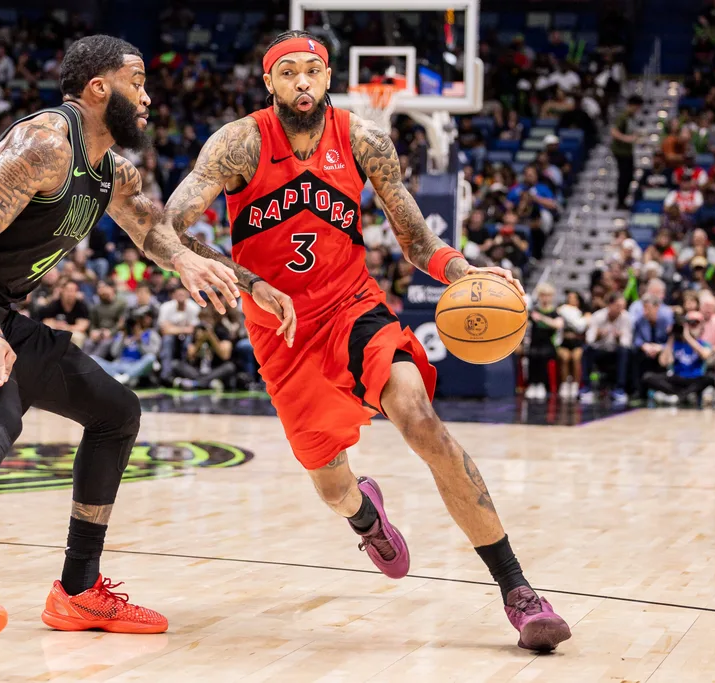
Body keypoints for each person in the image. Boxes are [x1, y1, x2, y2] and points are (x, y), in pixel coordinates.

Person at [148, 30, 571, 651]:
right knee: (332, 486)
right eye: (287, 72)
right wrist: (248, 282)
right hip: (281, 332)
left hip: (354, 309)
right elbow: (165, 229)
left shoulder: (364, 139)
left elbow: (417, 242)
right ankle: (366, 516)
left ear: (327, 77)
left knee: (422, 421)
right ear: (269, 83)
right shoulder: (240, 143)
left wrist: (463, 271)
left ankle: (518, 590)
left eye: (311, 70)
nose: (301, 82)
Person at [0, 35, 294, 645]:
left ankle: (78, 591)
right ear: (99, 89)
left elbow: (158, 234)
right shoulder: (45, 144)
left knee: (116, 412)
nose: (147, 98)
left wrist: (239, 278)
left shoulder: (113, 172)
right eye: (137, 83)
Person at [642, 312, 715, 405]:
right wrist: (671, 336)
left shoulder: (703, 344)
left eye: (694, 324)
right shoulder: (675, 343)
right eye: (689, 324)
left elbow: (705, 355)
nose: (691, 327)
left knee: (710, 378)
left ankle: (678, 396)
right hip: (677, 378)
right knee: (648, 377)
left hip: (694, 378)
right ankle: (683, 395)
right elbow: (663, 362)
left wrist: (687, 336)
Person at [579, 292, 632, 405]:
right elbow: (589, 339)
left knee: (625, 352)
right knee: (587, 350)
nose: (620, 309)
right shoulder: (598, 316)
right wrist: (598, 335)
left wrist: (618, 338)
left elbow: (626, 343)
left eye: (622, 307)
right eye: (618, 306)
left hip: (615, 352)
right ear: (610, 305)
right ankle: (586, 387)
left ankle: (620, 389)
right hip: (600, 350)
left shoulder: (626, 318)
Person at [524, 283, 562, 400]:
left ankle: (541, 384)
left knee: (543, 356)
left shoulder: (554, 311)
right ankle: (532, 383)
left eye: (548, 295)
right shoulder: (534, 310)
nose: (545, 298)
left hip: (548, 344)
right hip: (535, 343)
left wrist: (541, 318)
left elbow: (558, 324)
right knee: (532, 355)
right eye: (543, 295)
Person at [632, 294, 671, 396]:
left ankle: (664, 390)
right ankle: (639, 391)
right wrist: (644, 345)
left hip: (662, 351)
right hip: (647, 351)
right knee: (635, 353)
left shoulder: (666, 320)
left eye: (648, 308)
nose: (645, 312)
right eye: (644, 308)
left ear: (657, 307)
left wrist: (660, 347)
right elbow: (637, 339)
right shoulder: (640, 320)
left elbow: (672, 341)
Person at [38, 277, 90, 348]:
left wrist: (67, 327)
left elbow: (83, 326)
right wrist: (57, 325)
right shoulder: (54, 305)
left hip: (73, 332)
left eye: (72, 291)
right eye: (67, 290)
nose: (70, 294)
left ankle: (75, 355)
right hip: (57, 330)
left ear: (76, 293)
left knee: (78, 336)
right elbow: (46, 322)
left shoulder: (81, 306)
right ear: (62, 291)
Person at [611, 95, 643, 209]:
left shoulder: (631, 117)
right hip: (621, 151)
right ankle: (620, 201)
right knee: (624, 176)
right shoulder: (623, 117)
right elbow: (614, 131)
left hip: (628, 151)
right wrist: (627, 138)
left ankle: (623, 200)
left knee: (629, 176)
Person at [557, 290, 589, 399]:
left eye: (574, 298)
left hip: (578, 342)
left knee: (576, 358)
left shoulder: (582, 313)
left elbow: (580, 327)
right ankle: (565, 384)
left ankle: (575, 385)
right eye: (569, 297)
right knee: (565, 357)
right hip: (564, 342)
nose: (571, 300)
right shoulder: (562, 309)